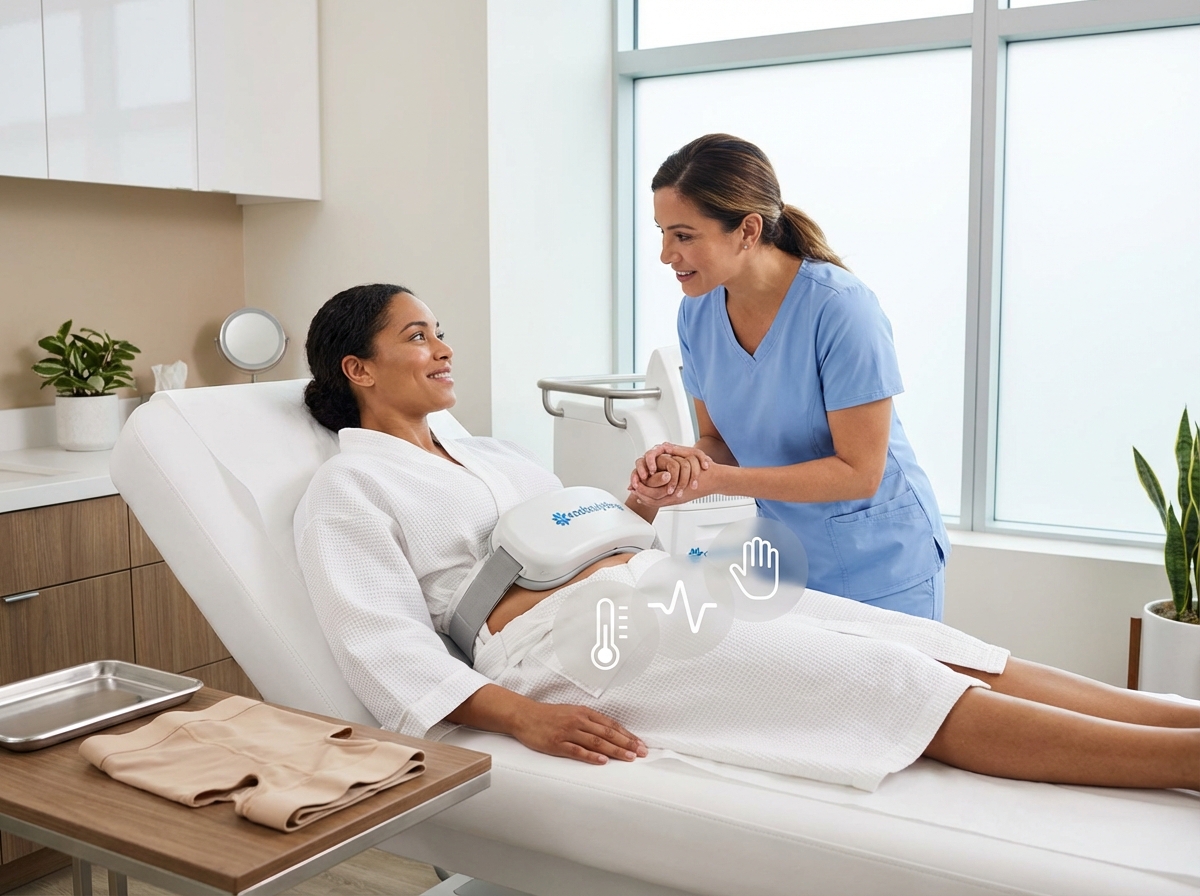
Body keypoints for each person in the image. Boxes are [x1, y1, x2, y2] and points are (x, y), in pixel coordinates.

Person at [294, 282, 1200, 792]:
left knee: (923, 642)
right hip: (565, 648)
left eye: (441, 330)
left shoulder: (486, 451)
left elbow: (564, 540)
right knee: (884, 682)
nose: (444, 347)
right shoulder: (349, 487)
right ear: (359, 367)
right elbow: (384, 645)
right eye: (419, 336)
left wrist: (636, 511)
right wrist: (523, 716)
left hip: (654, 589)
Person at [629, 134, 948, 620]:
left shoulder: (840, 309)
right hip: (783, 561)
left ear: (747, 230)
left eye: (684, 235)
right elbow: (719, 441)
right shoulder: (697, 314)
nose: (665, 254)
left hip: (881, 564)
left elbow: (860, 473)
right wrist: (686, 466)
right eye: (662, 233)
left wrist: (717, 479)